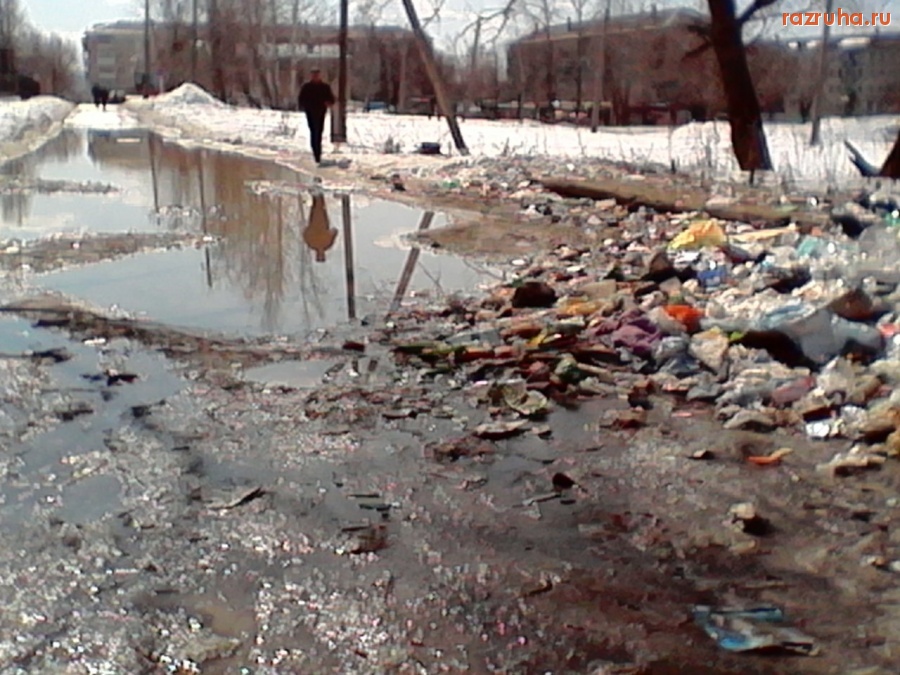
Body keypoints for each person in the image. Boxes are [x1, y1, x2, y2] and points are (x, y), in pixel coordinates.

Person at [297, 68, 335, 165]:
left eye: (317, 75)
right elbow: (301, 99)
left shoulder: (325, 87)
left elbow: (331, 99)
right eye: (313, 75)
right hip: (310, 112)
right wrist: (305, 106)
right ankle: (315, 151)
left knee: (319, 131)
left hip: (321, 112)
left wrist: (328, 103)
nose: (315, 77)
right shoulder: (307, 87)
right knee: (313, 131)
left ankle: (318, 152)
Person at [303, 193, 337, 262]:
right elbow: (305, 233)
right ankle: (317, 193)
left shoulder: (314, 244)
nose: (321, 254)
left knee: (318, 207)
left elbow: (305, 233)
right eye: (322, 256)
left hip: (317, 223)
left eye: (320, 256)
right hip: (320, 223)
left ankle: (317, 192)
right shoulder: (314, 244)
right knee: (318, 207)